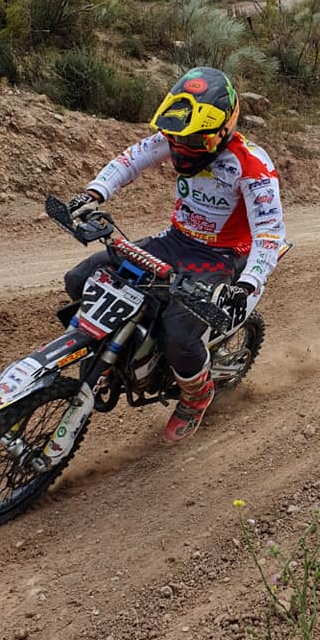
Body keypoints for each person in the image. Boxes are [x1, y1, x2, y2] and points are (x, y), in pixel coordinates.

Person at [64, 67, 285, 442]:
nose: (182, 148)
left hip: (220, 258)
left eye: (194, 141)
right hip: (174, 241)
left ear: (223, 129)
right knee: (79, 280)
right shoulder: (182, 135)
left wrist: (248, 284)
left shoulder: (251, 164)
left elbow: (269, 231)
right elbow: (131, 159)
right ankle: (117, 350)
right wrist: (93, 194)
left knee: (179, 336)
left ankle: (197, 395)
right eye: (177, 140)